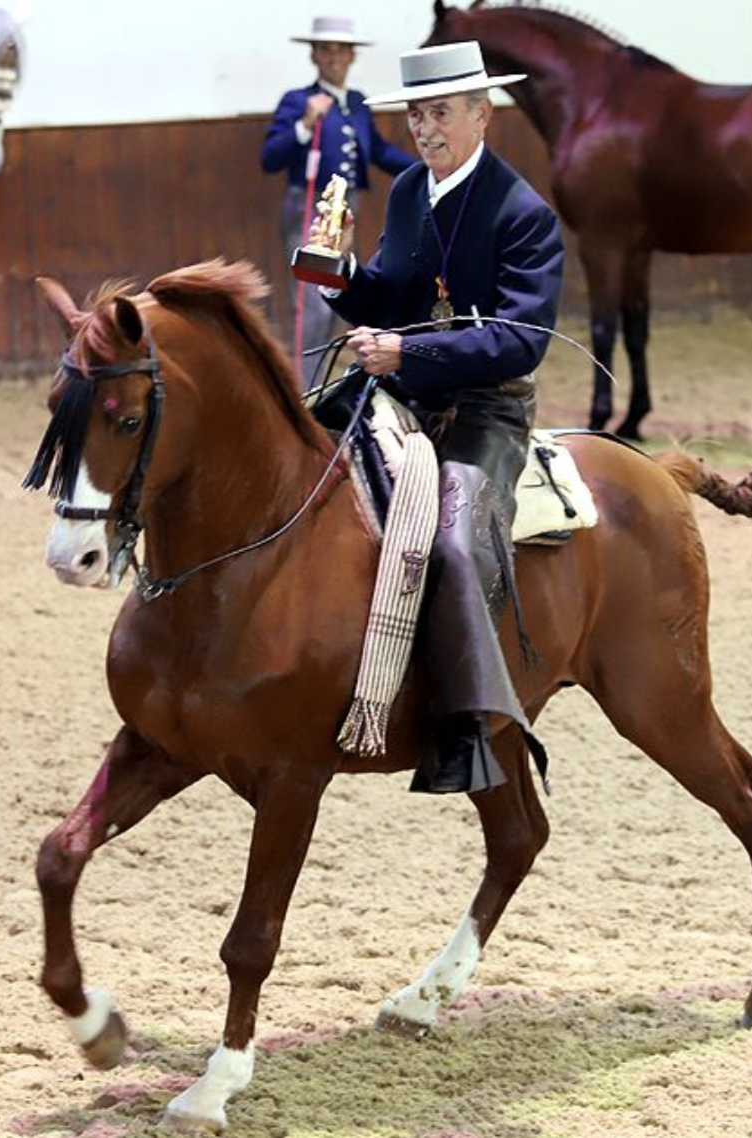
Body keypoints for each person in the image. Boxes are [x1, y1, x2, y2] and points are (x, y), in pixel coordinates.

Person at [321, 40, 564, 795]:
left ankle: (468, 725)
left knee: (456, 544)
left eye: (440, 114)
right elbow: (392, 294)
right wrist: (337, 274)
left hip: (487, 407)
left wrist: (407, 351)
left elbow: (522, 340)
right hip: (404, 390)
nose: (425, 130)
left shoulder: (524, 214)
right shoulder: (406, 193)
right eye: (416, 117)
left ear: (482, 115)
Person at [259, 15, 413, 388]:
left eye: (341, 50)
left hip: (346, 214)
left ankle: (316, 384)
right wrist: (304, 124)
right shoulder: (297, 101)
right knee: (312, 301)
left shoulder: (357, 103)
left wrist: (423, 168)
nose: (334, 57)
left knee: (334, 298)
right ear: (314, 55)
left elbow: (379, 151)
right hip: (308, 209)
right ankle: (301, 391)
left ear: (352, 56)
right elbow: (270, 158)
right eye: (325, 49)